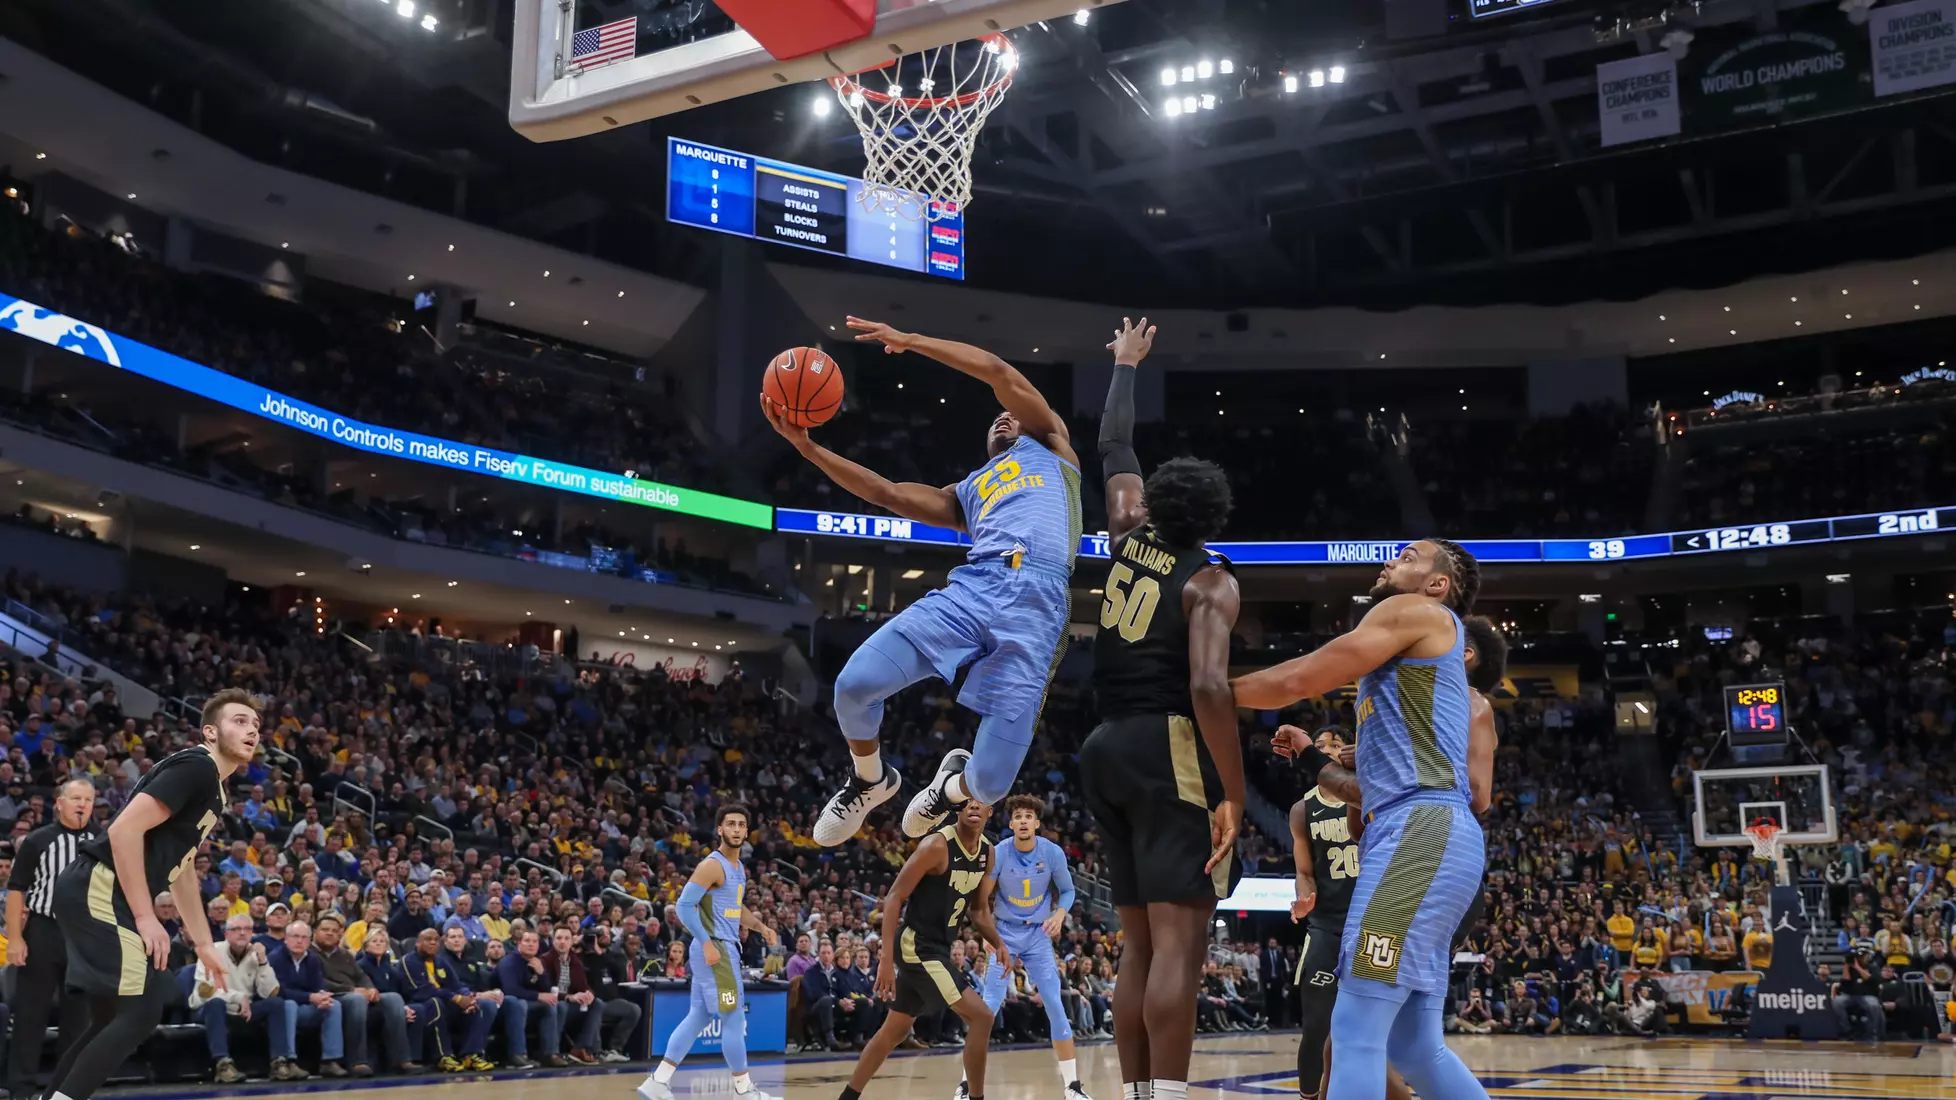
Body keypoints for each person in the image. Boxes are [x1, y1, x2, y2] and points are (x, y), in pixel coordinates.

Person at [763, 319, 1082, 846]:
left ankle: (949, 788)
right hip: (975, 588)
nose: (1003, 418)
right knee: (853, 687)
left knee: (992, 785)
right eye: (995, 420)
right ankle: (869, 781)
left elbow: (998, 372)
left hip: (1039, 606)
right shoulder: (970, 490)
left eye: (1011, 416)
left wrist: (911, 342)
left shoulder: (1051, 448)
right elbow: (887, 493)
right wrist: (808, 449)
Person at [1235, 539, 1489, 1100]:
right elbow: (1358, 790)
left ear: (1437, 582)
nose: (1390, 561)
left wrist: (1208, 693)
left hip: (1420, 832)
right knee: (1415, 1048)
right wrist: (1309, 755)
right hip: (1425, 833)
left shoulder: (1414, 610)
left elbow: (1299, 679)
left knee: (1351, 1030)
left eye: (1407, 556)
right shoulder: (1408, 667)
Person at [1076, 316, 1245, 1100]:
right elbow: (1210, 688)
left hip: (1102, 745)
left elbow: (1115, 448)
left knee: (1137, 945)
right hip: (1165, 744)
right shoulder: (1210, 580)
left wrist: (1124, 367)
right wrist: (1234, 794)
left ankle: (1141, 1095)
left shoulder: (1122, 533)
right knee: (1183, 939)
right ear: (1213, 518)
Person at [1288, 614, 1506, 1100]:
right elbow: (1353, 817)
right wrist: (1358, 764)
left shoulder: (1465, 703)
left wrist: (1359, 766)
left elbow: (1478, 795)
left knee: (1354, 1029)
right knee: (1411, 1045)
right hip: (1414, 856)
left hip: (1423, 852)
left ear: (1462, 654)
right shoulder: (1401, 711)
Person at [45, 689, 256, 1100]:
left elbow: (182, 874)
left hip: (102, 889)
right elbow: (125, 830)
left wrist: (203, 944)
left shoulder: (213, 787)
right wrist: (146, 917)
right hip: (102, 886)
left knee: (109, 1020)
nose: (252, 731)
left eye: (256, 725)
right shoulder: (197, 766)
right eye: (240, 721)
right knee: (143, 1010)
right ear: (211, 732)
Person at [836, 800, 1006, 1100]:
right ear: (957, 809)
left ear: (990, 812)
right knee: (982, 1017)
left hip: (939, 946)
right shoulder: (936, 846)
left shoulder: (987, 853)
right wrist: (885, 959)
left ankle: (847, 1097)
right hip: (917, 945)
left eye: (982, 803)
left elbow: (979, 911)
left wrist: (999, 942)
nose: (974, 807)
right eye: (967, 802)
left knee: (896, 1029)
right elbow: (894, 897)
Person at [637, 804, 779, 1100]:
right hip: (716, 952)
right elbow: (683, 907)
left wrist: (760, 927)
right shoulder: (711, 865)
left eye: (741, 824)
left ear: (747, 831)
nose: (736, 829)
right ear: (720, 829)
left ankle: (657, 1082)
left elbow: (734, 908)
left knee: (699, 1016)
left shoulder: (738, 869)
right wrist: (706, 942)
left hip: (719, 950)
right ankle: (744, 1091)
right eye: (731, 824)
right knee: (734, 1019)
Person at [963, 794, 1088, 1100]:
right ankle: (965, 1086)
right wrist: (986, 935)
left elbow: (1069, 891)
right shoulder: (999, 852)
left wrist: (1059, 914)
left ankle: (1072, 1087)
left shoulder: (1053, 852)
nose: (1022, 821)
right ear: (1010, 823)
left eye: (1028, 817)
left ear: (1037, 823)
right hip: (1004, 933)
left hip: (1037, 936)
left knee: (1056, 1006)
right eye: (1017, 816)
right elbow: (980, 900)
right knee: (988, 1008)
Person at [5, 777, 98, 1098]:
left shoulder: (104, 841)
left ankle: (66, 1090)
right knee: (31, 1014)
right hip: (44, 929)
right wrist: (15, 938)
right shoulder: (38, 839)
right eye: (75, 798)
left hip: (84, 935)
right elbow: (16, 888)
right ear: (59, 803)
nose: (82, 804)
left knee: (79, 1018)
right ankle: (20, 1088)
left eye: (87, 799)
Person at [188, 913, 295, 1082]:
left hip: (242, 1011)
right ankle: (223, 1064)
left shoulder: (255, 955)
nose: (242, 933)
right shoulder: (211, 951)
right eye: (236, 929)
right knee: (216, 1003)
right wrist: (238, 997)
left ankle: (278, 1061)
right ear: (226, 934)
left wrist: (263, 962)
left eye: (247, 929)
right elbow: (206, 990)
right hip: (207, 1010)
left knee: (276, 1004)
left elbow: (270, 992)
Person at [316, 913, 413, 1075]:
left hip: (354, 993)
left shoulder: (345, 954)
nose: (330, 933)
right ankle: (357, 1061)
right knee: (356, 1000)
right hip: (332, 996)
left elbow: (361, 976)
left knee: (394, 998)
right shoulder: (311, 954)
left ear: (340, 934)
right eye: (325, 930)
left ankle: (401, 1059)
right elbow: (319, 982)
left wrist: (370, 988)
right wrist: (351, 989)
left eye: (334, 930)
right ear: (315, 932)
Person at [398, 927, 494, 1071]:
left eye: (436, 940)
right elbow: (421, 990)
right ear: (417, 943)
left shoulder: (441, 961)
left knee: (478, 1006)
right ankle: (443, 1056)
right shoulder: (408, 961)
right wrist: (455, 998)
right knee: (435, 1003)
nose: (432, 943)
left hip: (446, 1002)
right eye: (428, 940)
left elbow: (456, 984)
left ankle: (471, 1055)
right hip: (419, 1002)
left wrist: (467, 997)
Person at [270, 919, 352, 1076]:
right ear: (285, 939)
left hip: (306, 1008)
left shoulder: (312, 958)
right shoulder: (276, 958)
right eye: (295, 936)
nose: (299, 941)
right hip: (286, 1009)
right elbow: (278, 991)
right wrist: (310, 997)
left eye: (304, 937)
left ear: (309, 941)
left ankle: (330, 1060)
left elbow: (319, 984)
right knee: (288, 1005)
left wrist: (322, 996)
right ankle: (289, 1060)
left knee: (333, 1005)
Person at [497, 928, 569, 1067]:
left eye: (535, 941)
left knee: (555, 1006)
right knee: (518, 1003)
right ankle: (517, 1054)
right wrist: (537, 995)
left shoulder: (536, 962)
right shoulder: (509, 962)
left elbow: (548, 991)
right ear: (519, 944)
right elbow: (510, 990)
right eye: (527, 941)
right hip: (503, 1004)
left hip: (526, 1004)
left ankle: (549, 1053)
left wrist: (541, 973)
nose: (531, 944)